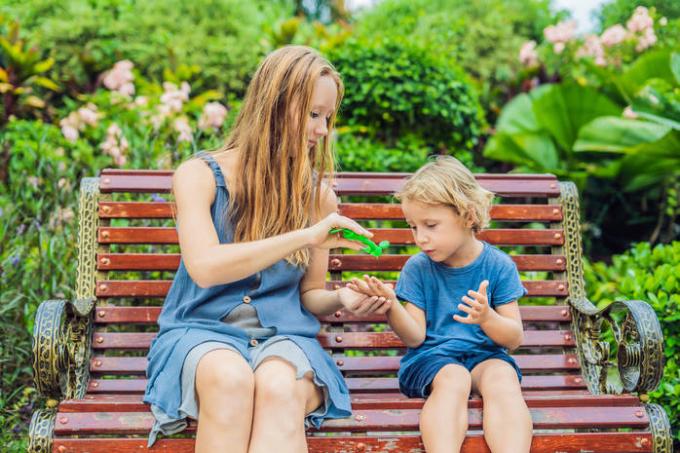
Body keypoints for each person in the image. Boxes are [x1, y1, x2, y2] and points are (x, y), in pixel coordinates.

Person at [143, 45, 390, 453]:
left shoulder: (317, 198)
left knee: (280, 388)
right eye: (313, 114)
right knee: (230, 380)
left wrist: (342, 297)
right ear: (274, 106)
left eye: (327, 117)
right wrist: (305, 237)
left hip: (284, 338)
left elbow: (310, 296)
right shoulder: (199, 176)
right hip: (201, 334)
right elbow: (205, 267)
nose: (323, 130)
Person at [348, 156, 533, 453]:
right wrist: (392, 305)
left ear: (468, 216)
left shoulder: (498, 266)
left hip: (484, 358)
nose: (421, 238)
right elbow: (415, 337)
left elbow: (514, 339)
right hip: (432, 361)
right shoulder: (417, 269)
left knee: (503, 377)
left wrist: (487, 317)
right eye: (413, 227)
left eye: (431, 225)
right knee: (454, 377)